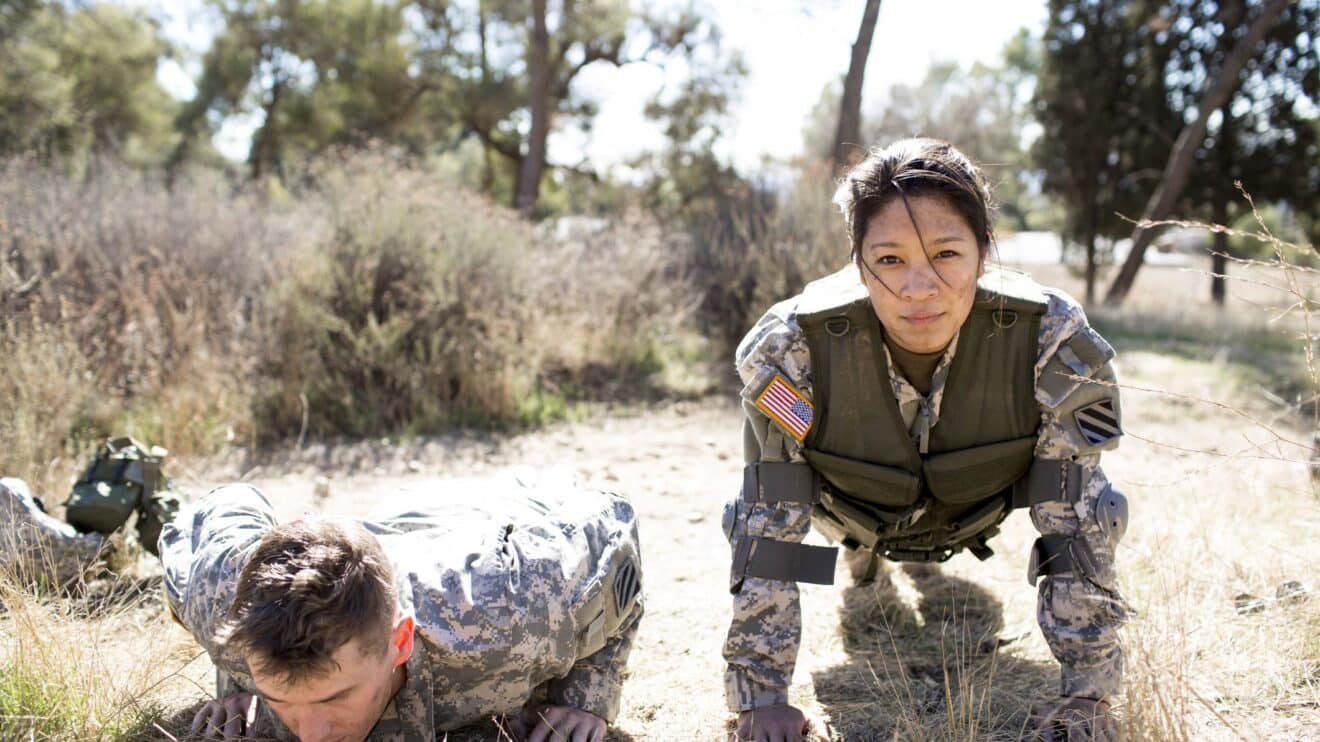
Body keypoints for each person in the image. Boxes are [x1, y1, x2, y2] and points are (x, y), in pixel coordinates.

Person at [721, 138, 1130, 741]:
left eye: (946, 254)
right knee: (775, 514)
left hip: (978, 507)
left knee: (1095, 505)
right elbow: (772, 519)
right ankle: (864, 558)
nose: (920, 287)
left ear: (984, 253)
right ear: (857, 263)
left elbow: (1073, 516)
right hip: (849, 506)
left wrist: (1088, 696)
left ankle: (900, 560)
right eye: (889, 260)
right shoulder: (792, 346)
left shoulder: (1050, 336)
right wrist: (762, 699)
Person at [161, 476, 644, 742]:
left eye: (334, 699)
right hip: (389, 520)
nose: (311, 736)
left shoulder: (510, 608)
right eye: (283, 701)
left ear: (399, 641)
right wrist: (240, 679)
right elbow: (225, 499)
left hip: (498, 510)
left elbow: (613, 522)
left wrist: (586, 697)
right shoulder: (218, 599)